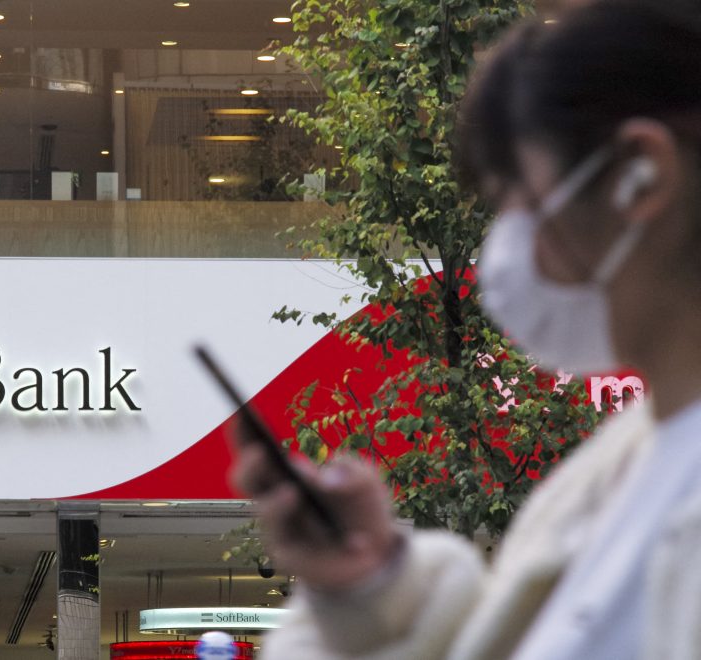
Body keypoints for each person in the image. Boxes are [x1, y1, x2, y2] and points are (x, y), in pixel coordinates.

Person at [232, 1, 701, 658]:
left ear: (640, 176)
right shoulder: (615, 474)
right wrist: (373, 583)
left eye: (517, 198)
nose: (505, 246)